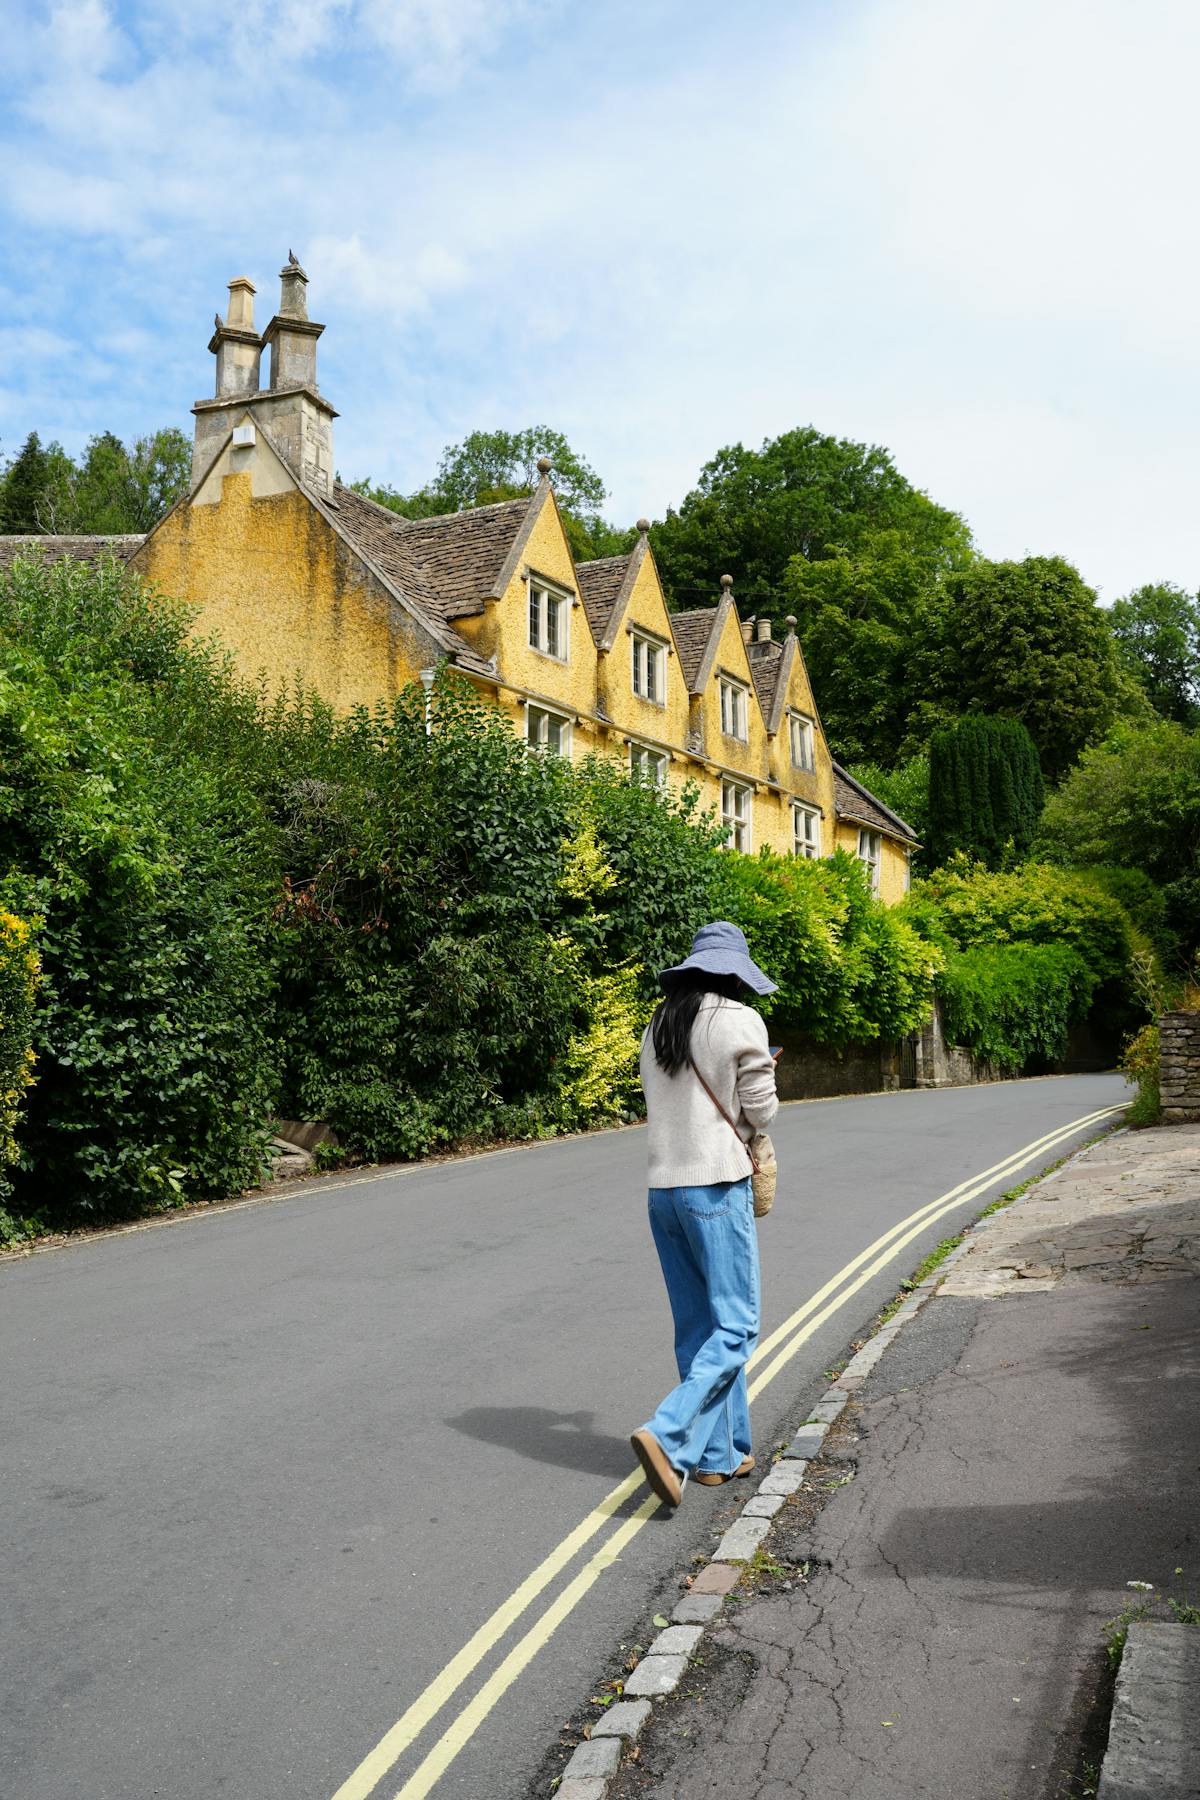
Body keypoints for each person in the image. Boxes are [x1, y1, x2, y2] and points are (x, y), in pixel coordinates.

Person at [630, 920, 779, 1509]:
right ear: (733, 973)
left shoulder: (660, 1022)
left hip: (662, 1191)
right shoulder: (741, 1021)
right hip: (716, 1186)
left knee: (700, 1330)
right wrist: (767, 1072)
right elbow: (761, 1113)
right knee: (737, 1326)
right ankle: (668, 1436)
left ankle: (720, 1457)